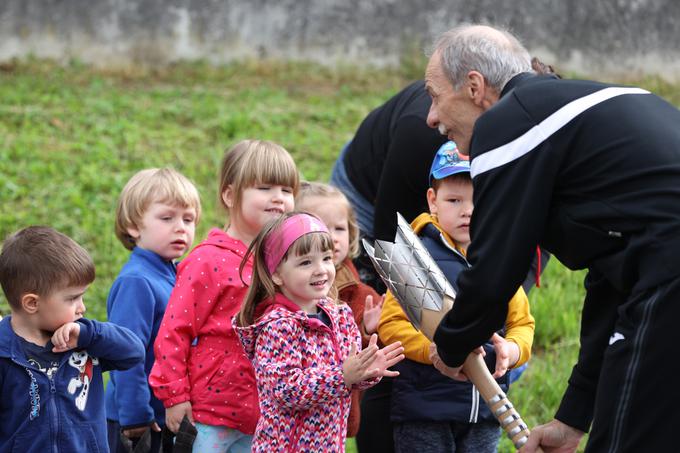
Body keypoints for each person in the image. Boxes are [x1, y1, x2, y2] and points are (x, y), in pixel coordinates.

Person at [424, 24, 680, 453]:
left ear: (474, 86)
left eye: (433, 95)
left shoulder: (509, 121)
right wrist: (573, 418)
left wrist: (451, 344)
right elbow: (612, 275)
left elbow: (495, 269)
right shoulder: (585, 110)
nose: (430, 118)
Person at [379, 141, 535, 452]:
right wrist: (434, 350)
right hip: (426, 409)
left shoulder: (500, 259)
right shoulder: (415, 255)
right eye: (454, 200)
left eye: (479, 201)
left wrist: (512, 352)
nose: (468, 211)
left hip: (486, 409)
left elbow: (523, 324)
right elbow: (391, 324)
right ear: (432, 201)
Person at [149, 140, 299, 453]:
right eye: (265, 187)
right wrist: (175, 397)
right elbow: (173, 332)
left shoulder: (283, 261)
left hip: (264, 413)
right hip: (210, 412)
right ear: (230, 195)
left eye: (287, 190)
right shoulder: (207, 260)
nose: (279, 198)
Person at [233, 212, 405, 452]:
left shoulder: (340, 317)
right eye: (306, 262)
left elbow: (349, 378)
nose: (321, 269)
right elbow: (287, 390)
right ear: (276, 274)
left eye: (326, 258)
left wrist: (366, 371)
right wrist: (343, 375)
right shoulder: (277, 326)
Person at [0, 226, 144, 453]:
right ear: (32, 303)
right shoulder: (4, 353)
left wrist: (90, 335)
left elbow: (134, 352)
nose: (82, 307)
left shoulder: (84, 342)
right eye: (73, 298)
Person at [105, 168, 202, 453]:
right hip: (136, 422)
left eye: (188, 219)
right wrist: (135, 415)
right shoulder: (137, 281)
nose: (181, 227)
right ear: (134, 226)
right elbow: (125, 353)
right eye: (167, 218)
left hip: (164, 413)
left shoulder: (173, 274)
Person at [294, 181, 384, 438]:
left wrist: (368, 330)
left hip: (335, 415)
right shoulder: (284, 286)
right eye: (321, 226)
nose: (332, 237)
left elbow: (367, 359)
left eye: (339, 228)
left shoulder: (361, 295)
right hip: (292, 411)